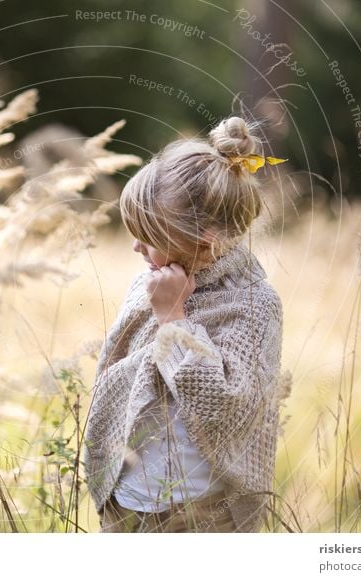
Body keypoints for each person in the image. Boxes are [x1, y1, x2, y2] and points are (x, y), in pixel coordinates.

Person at [82, 115, 286, 533]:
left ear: (205, 240)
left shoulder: (254, 305)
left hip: (201, 510)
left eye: (149, 236)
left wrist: (173, 320)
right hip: (129, 498)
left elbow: (222, 403)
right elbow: (118, 371)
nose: (137, 246)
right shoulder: (149, 284)